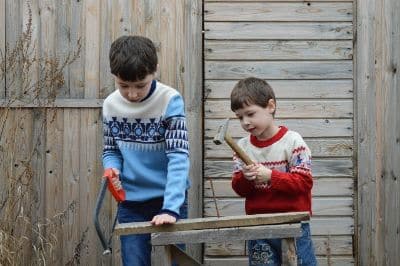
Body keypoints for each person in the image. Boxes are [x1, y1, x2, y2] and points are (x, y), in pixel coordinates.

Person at [102, 35, 190, 266]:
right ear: (114, 76)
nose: (132, 94)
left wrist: (171, 207)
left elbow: (178, 157)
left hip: (168, 199)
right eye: (123, 86)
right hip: (131, 202)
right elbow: (111, 150)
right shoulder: (110, 105)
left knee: (176, 261)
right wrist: (112, 169)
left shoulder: (170, 100)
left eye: (140, 85)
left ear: (155, 70)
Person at [229, 77, 317, 265]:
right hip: (258, 225)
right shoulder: (241, 147)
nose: (245, 122)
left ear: (270, 106)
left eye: (250, 114)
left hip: (293, 224)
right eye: (239, 117)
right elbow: (239, 189)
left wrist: (271, 176)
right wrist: (246, 178)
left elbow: (304, 183)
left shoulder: (293, 142)